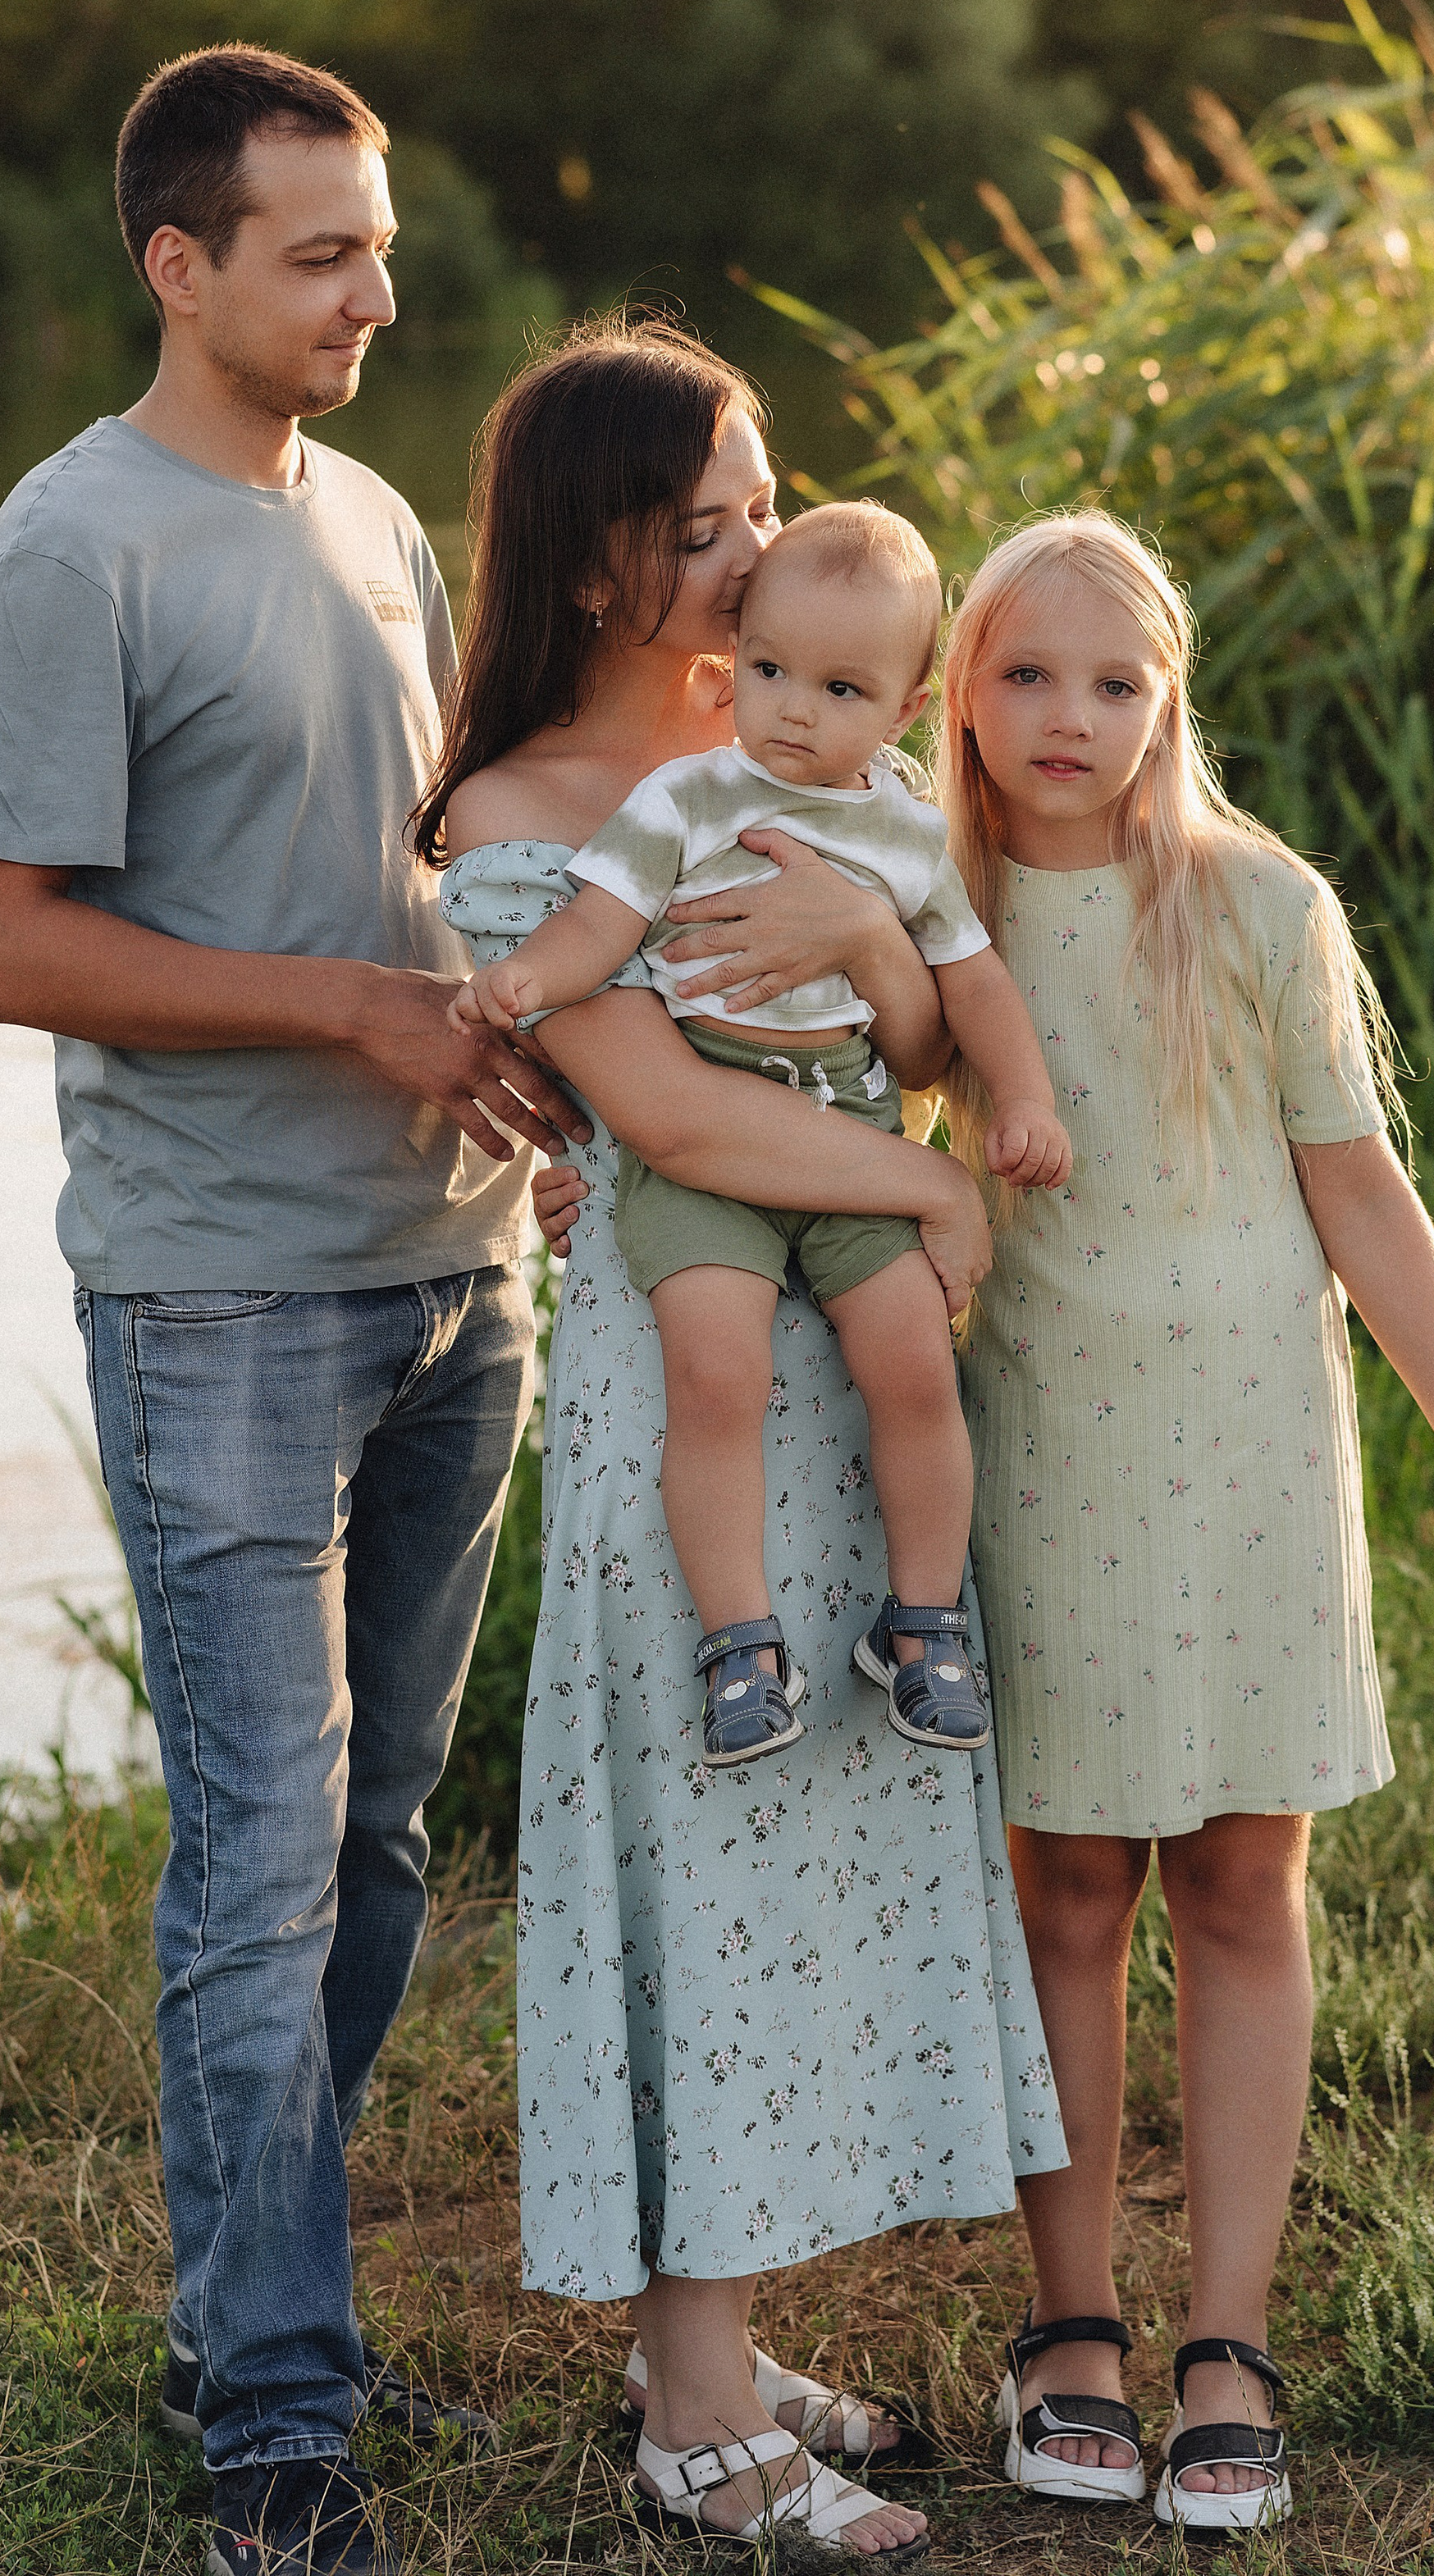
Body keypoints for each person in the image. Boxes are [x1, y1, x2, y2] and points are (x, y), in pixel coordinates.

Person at [0, 45, 592, 2576]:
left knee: (385, 1841)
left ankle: (247, 2309)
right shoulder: (64, 550)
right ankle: (275, 2427)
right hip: (216, 1298)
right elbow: (2, 947)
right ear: (177, 263)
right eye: (321, 251)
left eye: (381, 243)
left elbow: (423, 878)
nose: (377, 293)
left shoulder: (385, 519)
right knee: (259, 1865)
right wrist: (348, 1011)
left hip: (450, 1274)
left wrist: (531, 1067)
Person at [416, 319, 1068, 2560]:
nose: (759, 547)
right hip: (683, 1381)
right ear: (597, 560)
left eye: (764, 496)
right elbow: (672, 1112)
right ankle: (697, 2414)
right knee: (699, 1836)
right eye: (707, 524)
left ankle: (714, 2326)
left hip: (840, 1367)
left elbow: (909, 1018)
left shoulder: (799, 732)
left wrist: (892, 983)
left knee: (796, 1842)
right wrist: (934, 1182)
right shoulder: (520, 822)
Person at [935, 511, 1434, 2538]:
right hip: (1038, 1445)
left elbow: (1357, 1190)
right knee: (1069, 1891)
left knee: (1236, 1878)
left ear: (1167, 696)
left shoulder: (1256, 903)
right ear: (962, 684)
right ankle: (1072, 2324)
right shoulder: (922, 903)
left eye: (1117, 681)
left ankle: (1223, 2336)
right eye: (1029, 672)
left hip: (1248, 1446)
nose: (1072, 718)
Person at [452, 499, 1070, 1772]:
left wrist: (1026, 1101)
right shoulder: (684, 796)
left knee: (912, 1361)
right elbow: (602, 924)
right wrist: (526, 979)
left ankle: (924, 1621)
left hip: (844, 1114)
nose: (793, 709)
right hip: (714, 1134)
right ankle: (742, 1642)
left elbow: (971, 990)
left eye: (839, 688)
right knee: (717, 1368)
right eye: (772, 671)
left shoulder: (904, 824)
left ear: (904, 709)